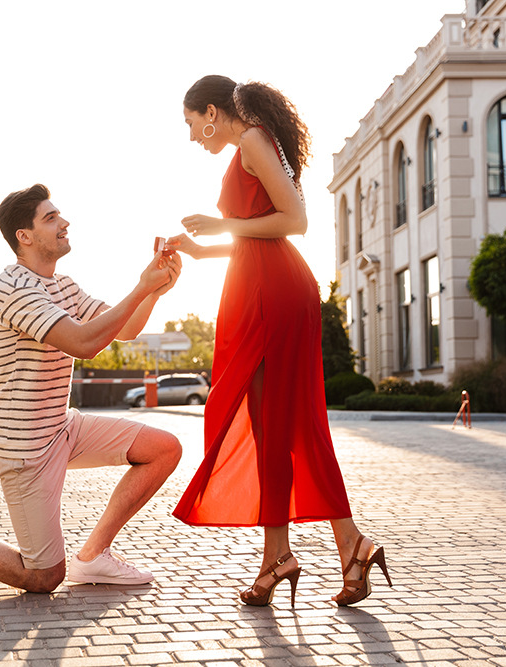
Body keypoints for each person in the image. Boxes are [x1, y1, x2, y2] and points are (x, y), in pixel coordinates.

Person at [169, 75, 392, 608]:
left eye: (191, 124)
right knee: (275, 428)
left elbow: (295, 221)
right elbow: (256, 237)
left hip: (274, 296)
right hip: (261, 287)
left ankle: (324, 549)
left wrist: (220, 224)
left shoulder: (252, 140)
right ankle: (312, 551)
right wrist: (203, 250)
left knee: (285, 424)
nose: (192, 136)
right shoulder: (249, 145)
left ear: (212, 112)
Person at [0, 183, 183, 593]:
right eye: (51, 218)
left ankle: (93, 556)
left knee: (164, 449)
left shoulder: (63, 284)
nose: (64, 222)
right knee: (43, 576)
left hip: (62, 427)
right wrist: (141, 286)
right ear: (25, 236)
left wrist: (155, 290)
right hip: (24, 447)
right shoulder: (13, 288)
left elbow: (126, 329)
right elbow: (83, 343)